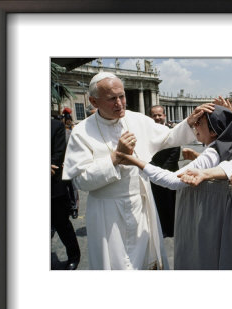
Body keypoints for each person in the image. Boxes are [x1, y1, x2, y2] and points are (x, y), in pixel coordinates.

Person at [62, 72, 208, 270]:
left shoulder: (137, 119)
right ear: (94, 101)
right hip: (108, 213)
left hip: (141, 204)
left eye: (122, 96)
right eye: (112, 99)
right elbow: (81, 181)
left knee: (147, 261)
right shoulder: (81, 132)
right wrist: (115, 157)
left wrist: (189, 122)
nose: (120, 103)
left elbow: (168, 137)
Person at [116, 105, 232, 191]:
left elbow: (173, 180)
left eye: (199, 123)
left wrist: (135, 161)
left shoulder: (213, 152)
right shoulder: (231, 146)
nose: (195, 126)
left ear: (213, 132)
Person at [51, 118, 81, 269]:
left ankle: (74, 256)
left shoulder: (55, 126)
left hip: (53, 184)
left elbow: (58, 154)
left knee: (62, 224)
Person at [149, 105, 181, 237]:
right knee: (157, 203)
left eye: (159, 115)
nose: (157, 118)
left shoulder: (172, 132)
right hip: (154, 175)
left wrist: (161, 172)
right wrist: (152, 170)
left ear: (164, 116)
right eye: (154, 115)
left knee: (171, 203)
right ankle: (161, 228)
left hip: (170, 173)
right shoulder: (147, 134)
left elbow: (175, 153)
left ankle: (172, 229)